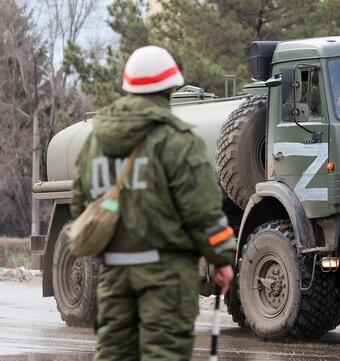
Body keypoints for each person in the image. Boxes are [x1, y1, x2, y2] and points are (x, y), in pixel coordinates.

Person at [71, 45, 235, 361]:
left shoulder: (95, 141)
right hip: (166, 279)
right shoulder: (177, 141)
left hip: (114, 276)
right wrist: (222, 257)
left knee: (114, 354)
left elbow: (81, 208)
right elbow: (202, 213)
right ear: (169, 88)